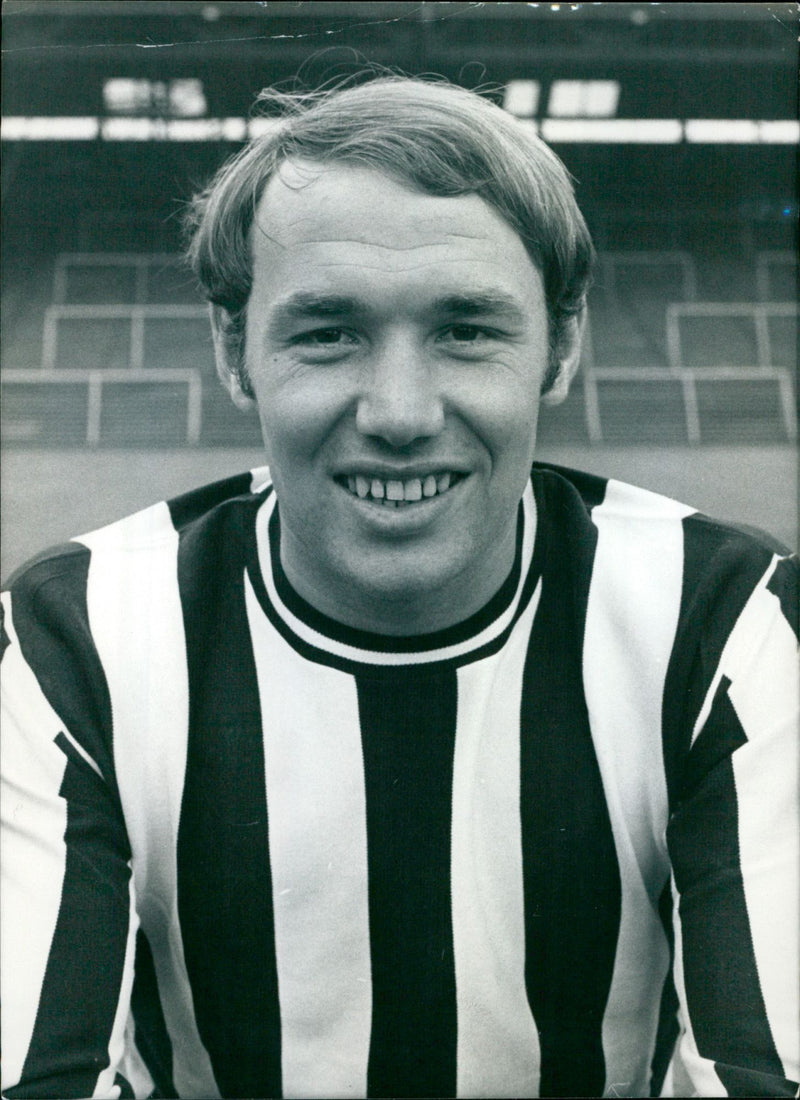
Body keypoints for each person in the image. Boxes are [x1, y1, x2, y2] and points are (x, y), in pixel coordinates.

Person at [1, 76, 797, 1100]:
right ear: (232, 350)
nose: (399, 410)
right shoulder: (74, 640)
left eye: (466, 329)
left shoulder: (723, 626)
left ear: (559, 346)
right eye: (327, 331)